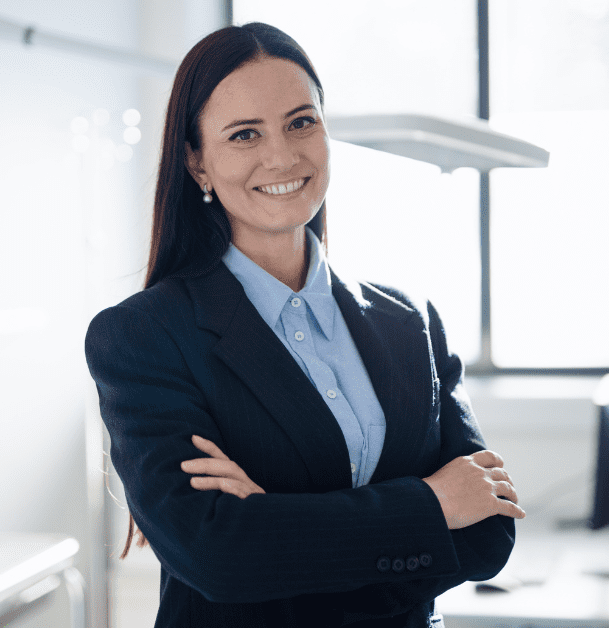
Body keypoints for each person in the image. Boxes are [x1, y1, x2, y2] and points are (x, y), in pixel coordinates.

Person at [84, 22, 524, 628]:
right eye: (244, 135)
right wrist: (430, 506)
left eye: (301, 122)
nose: (282, 155)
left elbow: (490, 531)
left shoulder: (411, 323)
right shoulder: (144, 338)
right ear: (197, 163)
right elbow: (216, 556)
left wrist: (282, 530)